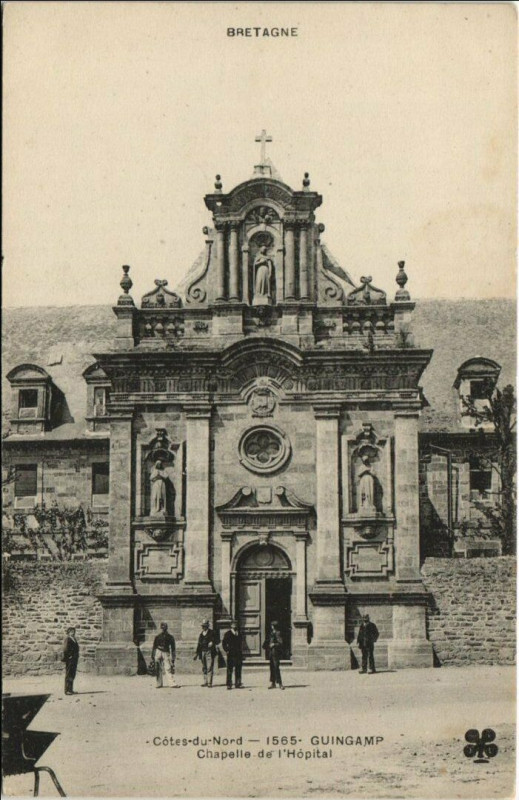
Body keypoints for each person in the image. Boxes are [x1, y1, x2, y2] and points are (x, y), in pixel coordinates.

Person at [151, 622, 178, 688]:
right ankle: (159, 683)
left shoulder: (170, 637)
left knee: (168, 668)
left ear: (166, 628)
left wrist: (173, 658)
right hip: (158, 652)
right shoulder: (157, 637)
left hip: (166, 652)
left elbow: (173, 648)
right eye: (162, 628)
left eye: (164, 628)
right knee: (158, 668)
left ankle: (172, 683)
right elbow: (154, 646)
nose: (163, 629)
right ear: (161, 628)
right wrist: (153, 655)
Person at [194, 620, 217, 687]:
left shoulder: (212, 632)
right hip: (202, 652)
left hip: (209, 652)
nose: (203, 627)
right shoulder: (201, 634)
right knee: (204, 667)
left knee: (209, 667)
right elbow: (199, 644)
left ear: (207, 626)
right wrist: (196, 654)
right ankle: (205, 682)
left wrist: (212, 642)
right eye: (202, 626)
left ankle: (209, 682)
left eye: (204, 626)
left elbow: (216, 640)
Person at [222, 620, 244, 690]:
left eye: (236, 624)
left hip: (238, 654)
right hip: (231, 654)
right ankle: (229, 684)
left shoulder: (239, 633)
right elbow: (223, 643)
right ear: (231, 625)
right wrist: (227, 650)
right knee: (229, 669)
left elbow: (241, 643)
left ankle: (238, 683)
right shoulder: (228, 634)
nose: (235, 626)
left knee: (238, 669)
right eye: (233, 624)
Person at [263, 621, 284, 689]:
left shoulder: (278, 633)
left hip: (276, 653)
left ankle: (280, 683)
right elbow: (269, 641)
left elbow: (280, 643)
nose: (271, 626)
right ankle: (273, 683)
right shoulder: (272, 633)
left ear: (274, 626)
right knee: (272, 668)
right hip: (271, 653)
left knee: (276, 668)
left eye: (272, 625)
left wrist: (274, 644)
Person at [62, 626, 79, 695]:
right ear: (68, 632)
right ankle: (67, 690)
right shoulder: (68, 639)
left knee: (72, 674)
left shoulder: (74, 639)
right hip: (70, 659)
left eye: (73, 631)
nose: (73, 633)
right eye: (71, 631)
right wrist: (69, 656)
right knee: (68, 674)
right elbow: (65, 649)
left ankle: (71, 689)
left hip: (74, 659)